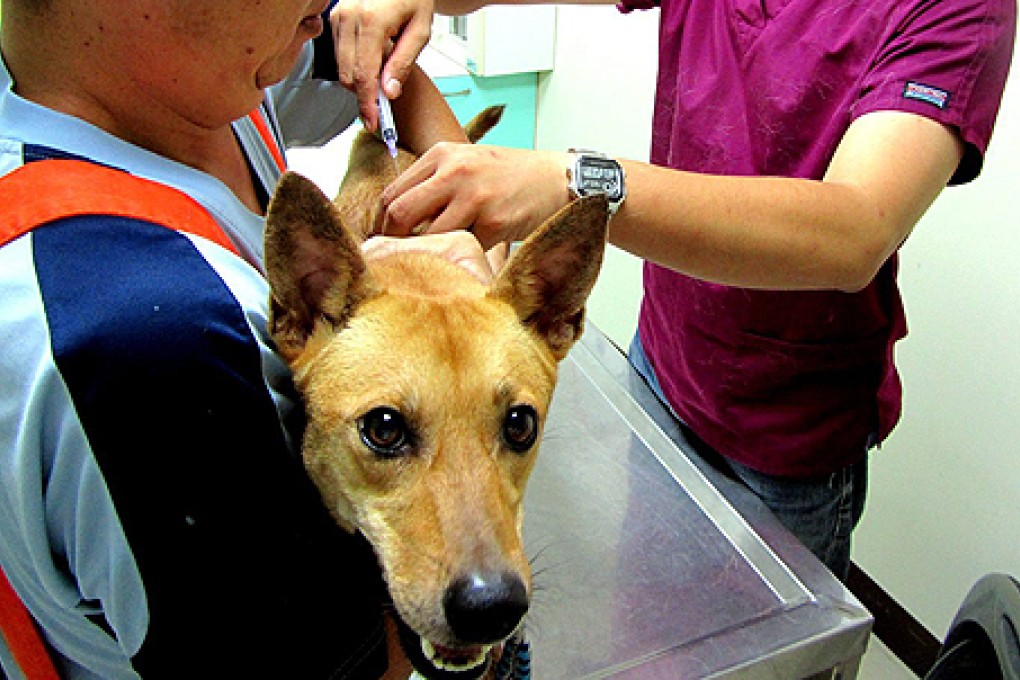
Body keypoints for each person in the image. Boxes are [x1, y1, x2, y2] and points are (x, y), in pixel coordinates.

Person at [366, 0, 1017, 580]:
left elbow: (857, 230)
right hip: (662, 367)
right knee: (648, 607)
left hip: (787, 437)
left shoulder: (961, 10)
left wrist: (576, 181)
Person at [0, 0, 492, 677]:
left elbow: (371, 61)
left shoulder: (198, 81)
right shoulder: (154, 342)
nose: (324, 10)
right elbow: (359, 660)